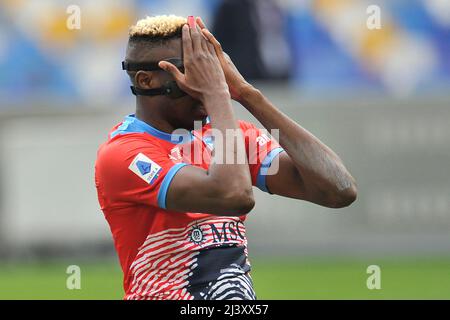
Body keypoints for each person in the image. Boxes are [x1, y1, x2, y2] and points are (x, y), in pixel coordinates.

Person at [95, 15, 357, 300]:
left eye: (210, 69)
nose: (207, 80)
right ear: (147, 81)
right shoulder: (124, 154)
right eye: (193, 72)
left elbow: (338, 189)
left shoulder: (225, 136)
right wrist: (217, 94)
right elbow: (233, 195)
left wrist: (246, 94)